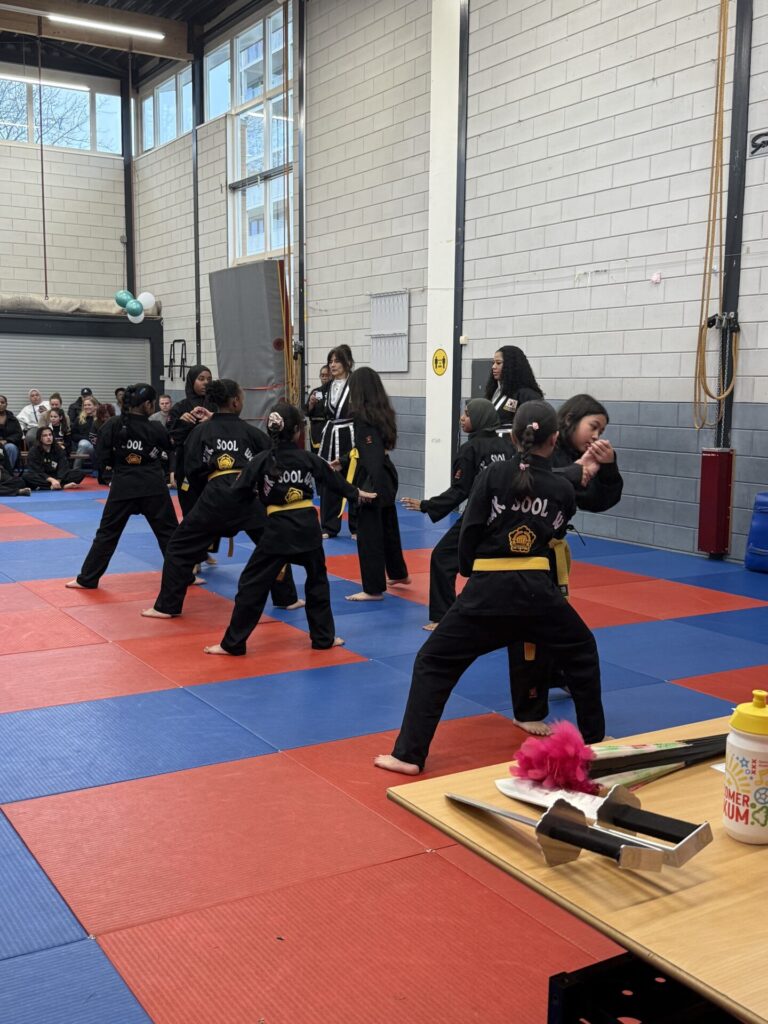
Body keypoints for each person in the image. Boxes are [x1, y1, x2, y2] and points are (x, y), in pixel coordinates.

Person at [374, 400, 606, 776]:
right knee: (582, 652)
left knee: (434, 662)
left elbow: (470, 530)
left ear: (513, 437)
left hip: (487, 592)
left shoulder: (492, 475)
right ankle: (596, 742)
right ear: (554, 440)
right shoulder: (562, 488)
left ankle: (408, 755)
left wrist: (470, 571)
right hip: (539, 595)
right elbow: (555, 530)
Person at [204, 403, 377, 656]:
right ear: (297, 431)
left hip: (277, 532)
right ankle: (323, 638)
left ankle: (233, 643)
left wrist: (240, 509)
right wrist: (357, 493)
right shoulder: (309, 458)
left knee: (252, 584)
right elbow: (334, 482)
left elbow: (236, 492)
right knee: (317, 582)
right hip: (308, 529)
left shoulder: (261, 460)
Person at [508, 394, 624, 733]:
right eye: (593, 426)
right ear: (570, 420)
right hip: (519, 553)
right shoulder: (541, 447)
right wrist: (576, 471)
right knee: (529, 631)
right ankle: (527, 708)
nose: (597, 435)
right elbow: (531, 477)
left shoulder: (577, 457)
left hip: (548, 553)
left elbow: (597, 500)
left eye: (602, 430)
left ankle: (556, 675)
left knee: (554, 624)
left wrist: (608, 468)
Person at [143, 378, 300, 619]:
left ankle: (166, 606)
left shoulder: (200, 431)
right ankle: (286, 598)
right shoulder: (251, 432)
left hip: (214, 497)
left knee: (178, 547)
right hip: (248, 497)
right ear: (235, 402)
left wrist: (205, 494)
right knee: (274, 544)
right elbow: (272, 464)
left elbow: (192, 469)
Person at [401, 398, 512, 630]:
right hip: (507, 518)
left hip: (480, 517)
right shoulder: (507, 447)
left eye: (467, 414)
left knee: (442, 558)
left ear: (480, 418)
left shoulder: (470, 449)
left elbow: (460, 490)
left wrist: (427, 505)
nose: (462, 418)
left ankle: (443, 617)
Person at [65, 385, 179, 590]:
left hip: (123, 486)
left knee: (107, 533)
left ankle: (87, 578)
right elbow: (169, 450)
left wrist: (114, 469)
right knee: (168, 533)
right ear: (148, 404)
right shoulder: (155, 427)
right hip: (153, 486)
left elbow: (101, 454)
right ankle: (185, 576)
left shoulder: (112, 424)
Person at [340, 366, 409, 602]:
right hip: (386, 473)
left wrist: (369, 489)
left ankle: (373, 588)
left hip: (374, 475)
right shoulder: (382, 412)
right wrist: (344, 460)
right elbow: (369, 449)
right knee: (388, 526)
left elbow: (371, 454)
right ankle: (399, 573)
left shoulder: (362, 416)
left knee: (368, 533)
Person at [318, 346, 355, 538]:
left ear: (347, 362)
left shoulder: (355, 384)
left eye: (336, 361)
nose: (332, 365)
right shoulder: (327, 387)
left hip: (350, 435)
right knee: (329, 478)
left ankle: (356, 526)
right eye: (330, 361)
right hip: (331, 436)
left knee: (353, 479)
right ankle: (329, 526)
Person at [167, 365, 213, 518]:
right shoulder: (180, 408)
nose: (206, 383)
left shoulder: (216, 407)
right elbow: (172, 440)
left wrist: (213, 419)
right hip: (186, 466)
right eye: (201, 379)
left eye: (209, 379)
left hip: (212, 464)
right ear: (192, 381)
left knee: (213, 512)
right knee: (190, 508)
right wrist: (182, 422)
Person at [485, 345, 543, 437]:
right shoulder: (496, 391)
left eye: (498, 363)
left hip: (510, 444)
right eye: (493, 363)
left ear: (511, 366)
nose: (493, 367)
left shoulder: (527, 395)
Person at [304, 365, 330, 452]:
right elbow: (307, 412)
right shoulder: (316, 392)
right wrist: (311, 404)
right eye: (322, 375)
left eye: (327, 375)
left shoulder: (335, 392)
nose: (324, 378)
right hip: (316, 428)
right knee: (316, 453)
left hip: (328, 426)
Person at [71, 395, 101, 467]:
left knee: (92, 448)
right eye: (85, 405)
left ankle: (96, 469)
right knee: (83, 444)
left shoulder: (100, 419)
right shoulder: (79, 419)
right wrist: (85, 438)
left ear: (95, 406)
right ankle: (76, 469)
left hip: (97, 444)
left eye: (89, 405)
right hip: (83, 443)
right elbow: (73, 435)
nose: (87, 407)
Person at [0, 394, 23, 471]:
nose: (0, 404)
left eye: (2, 402)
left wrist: (7, 441)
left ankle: (7, 472)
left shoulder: (13, 419)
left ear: (6, 404)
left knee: (11, 448)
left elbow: (19, 434)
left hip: (8, 444)